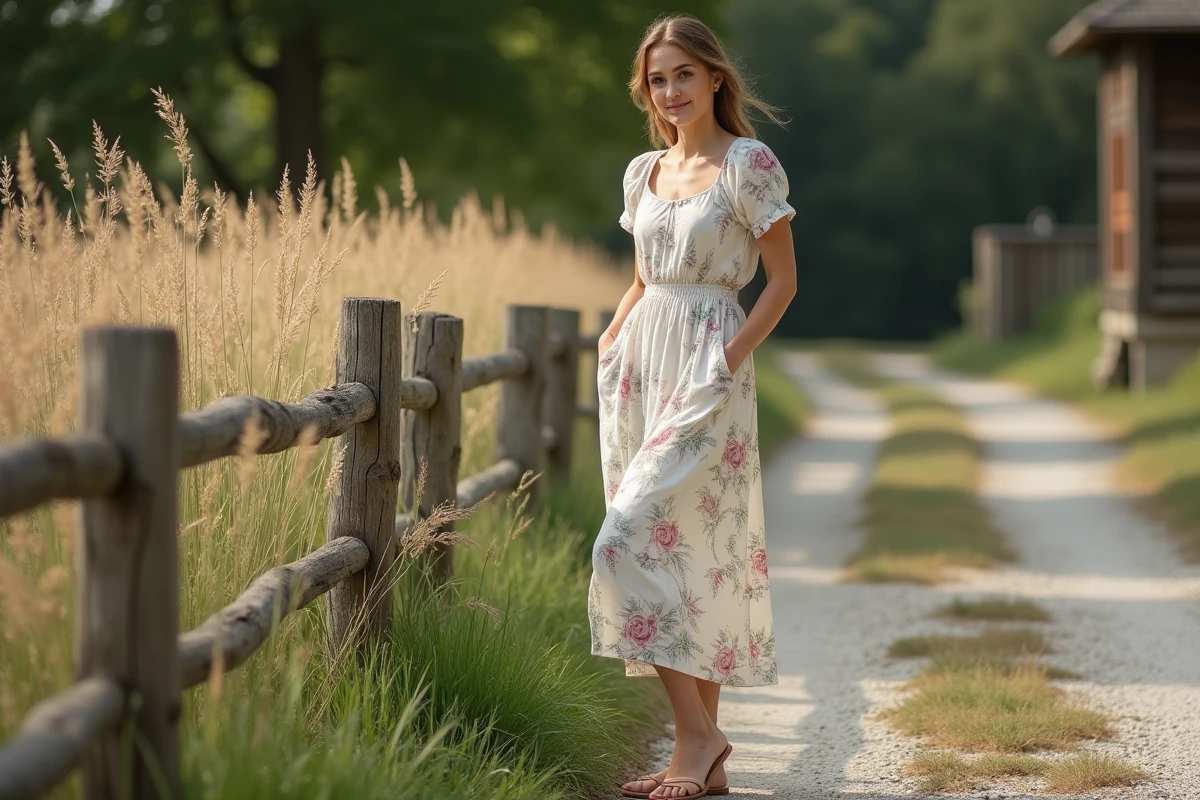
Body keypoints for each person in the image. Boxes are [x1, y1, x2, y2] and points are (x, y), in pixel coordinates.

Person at [588, 13, 798, 800]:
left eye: (682, 73)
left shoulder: (749, 163)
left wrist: (726, 362)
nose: (670, 91)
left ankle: (700, 738)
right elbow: (644, 277)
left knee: (626, 540)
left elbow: (782, 283)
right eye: (657, 79)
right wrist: (610, 340)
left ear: (714, 76)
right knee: (677, 551)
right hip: (641, 367)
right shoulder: (642, 171)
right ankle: (699, 756)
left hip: (710, 364)